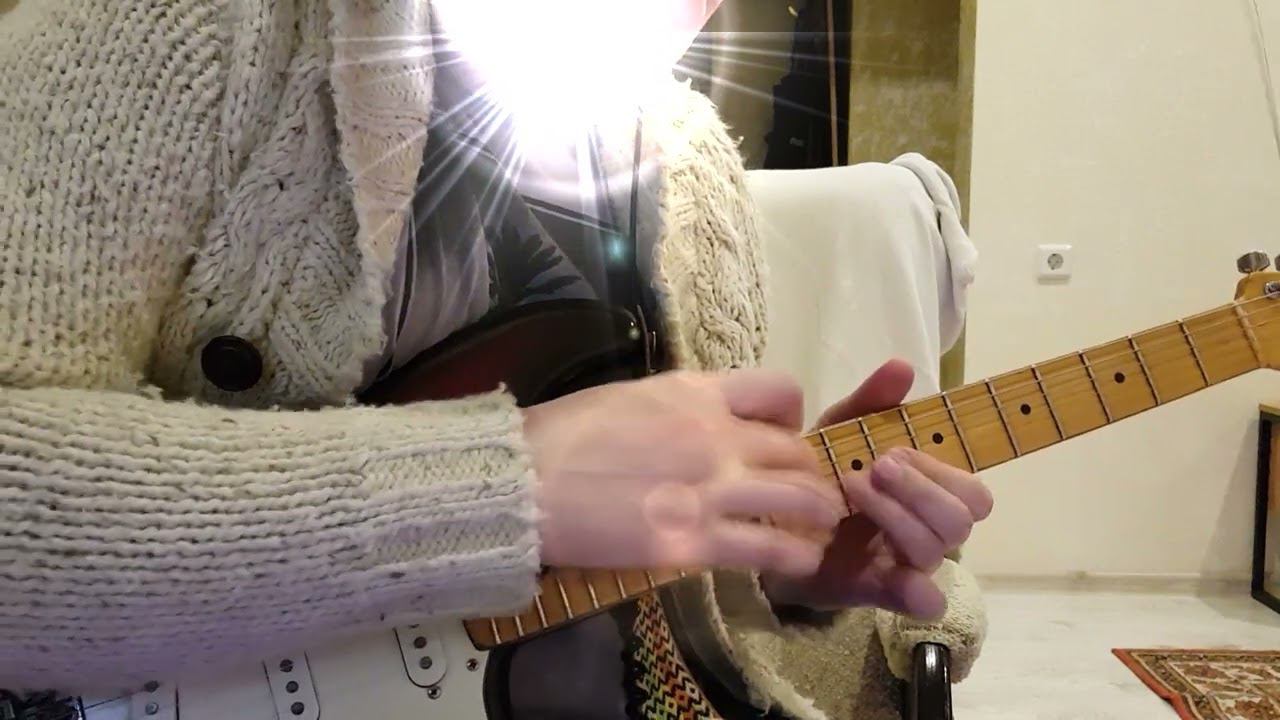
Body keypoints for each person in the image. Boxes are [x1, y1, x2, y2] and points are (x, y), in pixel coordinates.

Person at [0, 0, 993, 717]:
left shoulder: (691, 164)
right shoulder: (174, 38)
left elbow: (612, 589)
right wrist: (505, 483)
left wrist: (772, 566)